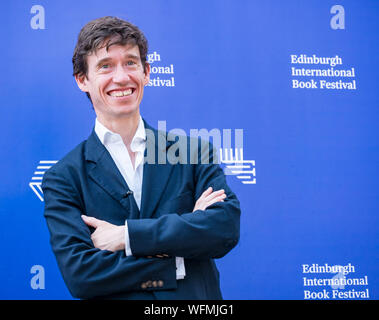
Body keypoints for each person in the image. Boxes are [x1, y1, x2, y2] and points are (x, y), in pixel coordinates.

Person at [42, 16, 241, 300]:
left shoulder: (194, 153)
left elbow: (223, 228)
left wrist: (128, 237)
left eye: (131, 63)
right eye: (105, 66)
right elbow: (81, 275)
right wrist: (178, 253)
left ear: (146, 72)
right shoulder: (63, 178)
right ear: (82, 80)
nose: (121, 77)